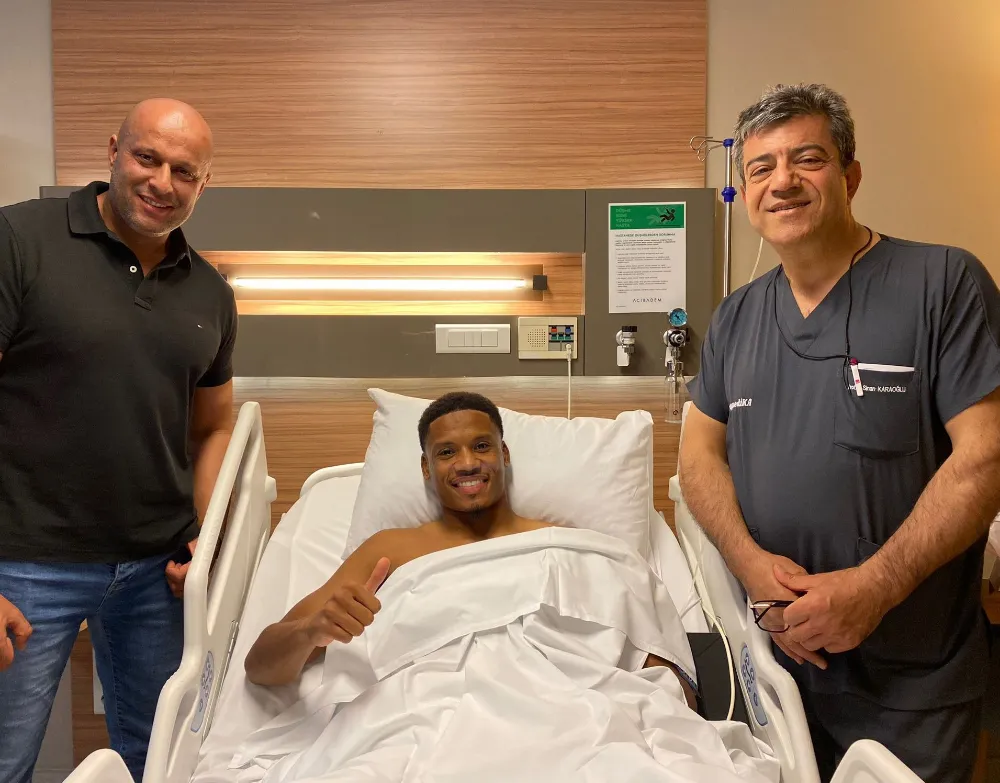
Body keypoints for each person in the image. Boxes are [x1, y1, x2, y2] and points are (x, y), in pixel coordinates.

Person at [678, 82, 1000, 783]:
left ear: (850, 176)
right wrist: (750, 564)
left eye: (808, 159)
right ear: (745, 191)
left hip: (911, 678)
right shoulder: (736, 317)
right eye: (761, 168)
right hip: (780, 670)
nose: (782, 181)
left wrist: (873, 588)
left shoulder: (943, 282)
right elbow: (697, 457)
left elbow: (986, 455)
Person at [0, 98, 237, 783]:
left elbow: (214, 425)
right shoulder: (19, 239)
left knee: (159, 762)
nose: (163, 182)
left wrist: (205, 536)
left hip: (154, 573)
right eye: (146, 158)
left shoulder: (211, 292)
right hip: (23, 562)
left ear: (204, 184)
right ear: (113, 150)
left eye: (184, 171)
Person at [244, 391, 697, 709]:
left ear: (504, 454)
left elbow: (655, 660)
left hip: (567, 709)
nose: (466, 463)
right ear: (426, 468)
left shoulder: (569, 545)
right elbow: (260, 666)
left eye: (481, 446)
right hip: (422, 716)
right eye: (446, 453)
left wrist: (664, 715)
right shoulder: (390, 551)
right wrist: (312, 632)